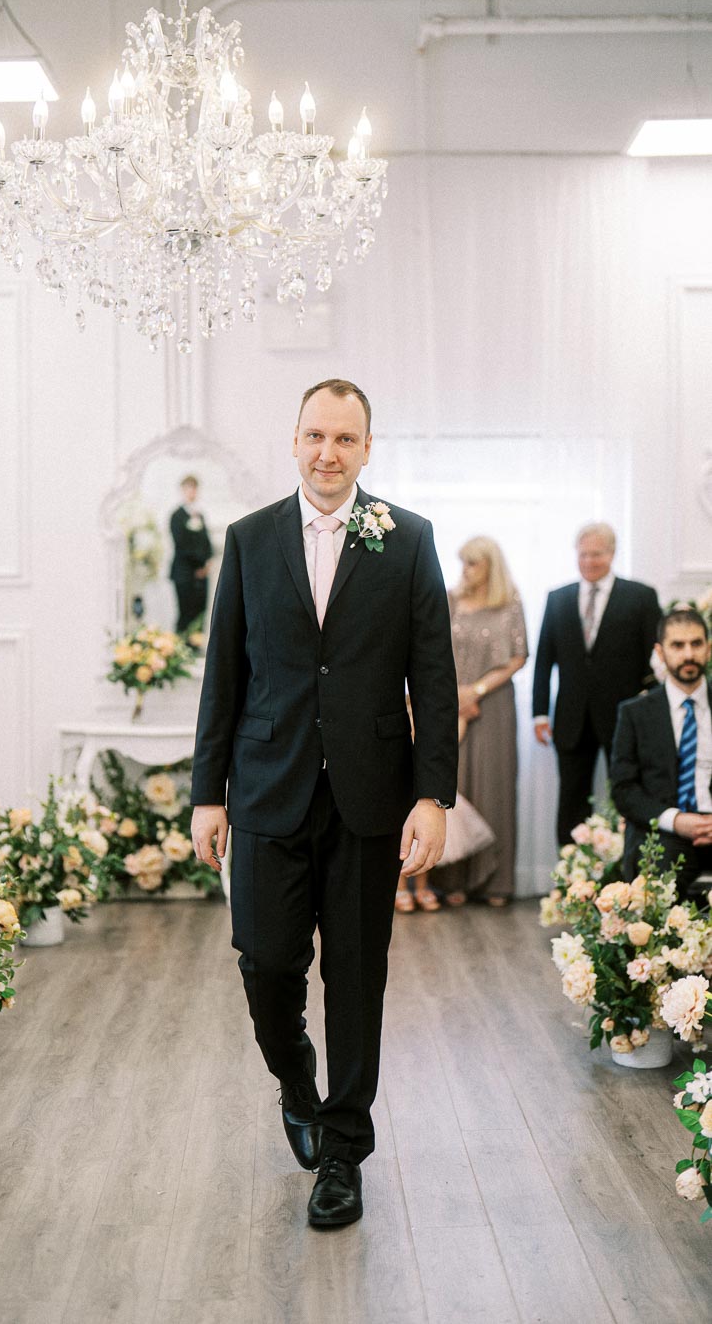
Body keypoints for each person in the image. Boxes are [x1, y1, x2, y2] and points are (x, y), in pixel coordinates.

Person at [190, 379, 458, 1230]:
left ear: (368, 448)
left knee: (358, 979)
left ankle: (343, 1151)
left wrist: (433, 796)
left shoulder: (407, 540)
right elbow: (223, 676)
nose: (328, 452)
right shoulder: (248, 538)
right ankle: (296, 1079)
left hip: (370, 799)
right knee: (267, 965)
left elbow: (436, 680)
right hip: (267, 790)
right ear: (294, 440)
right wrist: (208, 794)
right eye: (315, 435)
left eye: (346, 439)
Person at [532, 523, 660, 848]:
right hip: (571, 718)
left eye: (597, 554)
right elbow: (544, 660)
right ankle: (569, 881)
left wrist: (650, 707)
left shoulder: (641, 597)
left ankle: (626, 877)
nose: (589, 561)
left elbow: (656, 658)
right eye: (583, 554)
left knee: (628, 795)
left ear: (612, 554)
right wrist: (539, 714)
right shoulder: (557, 598)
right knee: (571, 799)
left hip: (624, 717)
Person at [425, 536, 527, 908]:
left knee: (493, 786)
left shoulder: (510, 601)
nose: (465, 571)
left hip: (494, 706)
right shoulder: (450, 600)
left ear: (490, 566)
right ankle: (451, 880)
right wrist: (456, 694)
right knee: (454, 785)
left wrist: (477, 690)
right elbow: (430, 648)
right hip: (449, 702)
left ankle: (495, 881)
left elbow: (519, 656)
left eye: (472, 563)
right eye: (463, 563)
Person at [611, 607, 712, 896]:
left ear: (709, 648)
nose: (688, 654)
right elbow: (624, 790)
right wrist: (677, 821)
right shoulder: (634, 713)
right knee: (654, 887)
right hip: (665, 829)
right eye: (677, 645)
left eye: (696, 643)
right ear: (660, 651)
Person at [169, 475, 213, 635]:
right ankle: (183, 648)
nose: (192, 492)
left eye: (194, 488)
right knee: (185, 612)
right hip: (184, 573)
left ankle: (196, 646)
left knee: (200, 612)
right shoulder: (176, 516)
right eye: (188, 488)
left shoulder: (199, 515)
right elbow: (181, 545)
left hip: (201, 574)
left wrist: (207, 562)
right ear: (182, 490)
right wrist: (198, 565)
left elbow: (207, 541)